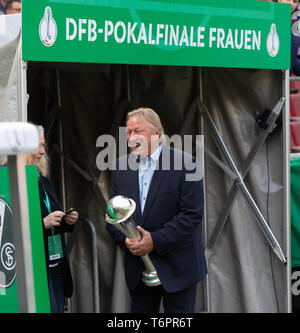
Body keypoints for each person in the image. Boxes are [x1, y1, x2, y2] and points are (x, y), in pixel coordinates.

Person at [106, 107, 207, 313]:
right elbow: (113, 215)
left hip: (179, 268)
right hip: (138, 271)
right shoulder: (120, 168)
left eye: (138, 131)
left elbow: (192, 215)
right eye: (128, 132)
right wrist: (126, 239)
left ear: (157, 133)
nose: (132, 137)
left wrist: (154, 241)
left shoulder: (187, 164)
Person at [26, 125, 78, 313]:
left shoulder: (43, 179)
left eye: (43, 146)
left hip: (54, 264)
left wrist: (66, 220)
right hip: (33, 271)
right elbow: (8, 230)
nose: (42, 151)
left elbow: (51, 214)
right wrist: (42, 223)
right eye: (36, 146)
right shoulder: (10, 180)